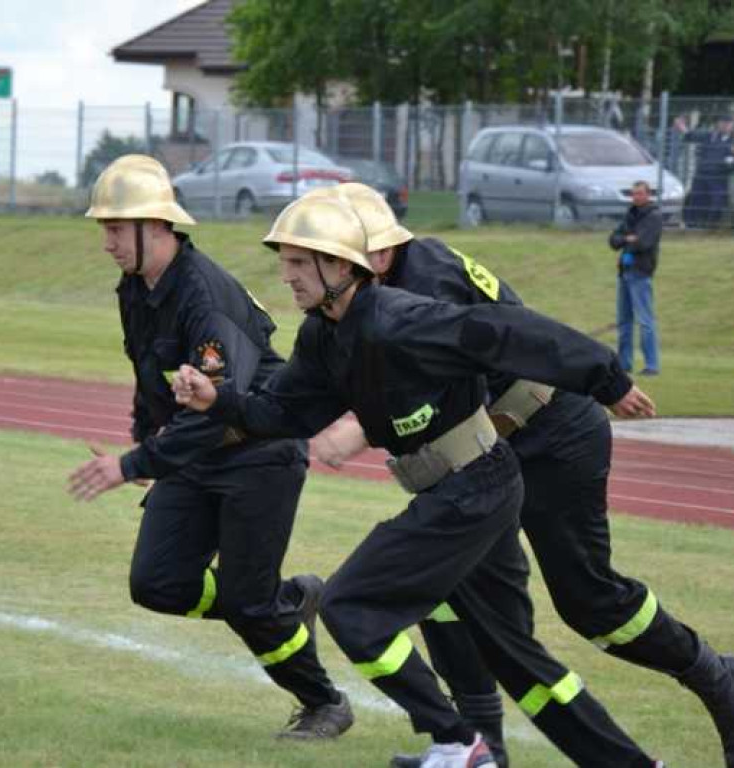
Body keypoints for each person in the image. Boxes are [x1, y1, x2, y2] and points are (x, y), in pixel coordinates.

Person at [173, 192, 668, 768]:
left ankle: (459, 743)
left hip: (476, 488)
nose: (285, 276)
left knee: (351, 606)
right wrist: (219, 400)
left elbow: (512, 333)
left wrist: (606, 379)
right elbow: (284, 414)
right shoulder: (322, 336)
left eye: (299, 263)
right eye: (284, 262)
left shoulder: (399, 318)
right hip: (458, 492)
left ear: (340, 266)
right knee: (516, 659)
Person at [314, 183, 734, 768]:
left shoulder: (421, 285)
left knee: (591, 603)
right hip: (482, 455)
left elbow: (467, 360)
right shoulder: (385, 290)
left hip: (548, 435)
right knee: (452, 591)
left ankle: (718, 680)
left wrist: (360, 429)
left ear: (378, 255)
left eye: (337, 258)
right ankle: (480, 749)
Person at [66, 155, 353, 740]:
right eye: (104, 230)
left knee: (250, 604)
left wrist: (133, 465)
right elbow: (149, 370)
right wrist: (145, 438)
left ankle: (324, 703)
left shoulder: (206, 297)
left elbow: (213, 406)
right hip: (197, 455)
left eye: (116, 229)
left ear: (157, 227)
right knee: (158, 583)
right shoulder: (136, 288)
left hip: (259, 455)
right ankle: (288, 600)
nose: (107, 244)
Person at [609, 180, 663, 376]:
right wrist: (627, 238)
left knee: (645, 321)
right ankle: (625, 364)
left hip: (640, 272)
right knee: (624, 321)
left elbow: (643, 243)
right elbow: (613, 240)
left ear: (648, 195)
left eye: (640, 193)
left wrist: (628, 239)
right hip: (624, 271)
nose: (636, 197)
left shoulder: (654, 216)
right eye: (634, 194)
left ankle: (652, 365)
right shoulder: (630, 214)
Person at [674, 113, 734, 228]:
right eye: (722, 122)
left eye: (728, 123)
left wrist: (730, 160)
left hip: (719, 177)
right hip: (702, 174)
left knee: (718, 202)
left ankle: (711, 226)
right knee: (696, 201)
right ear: (718, 124)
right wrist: (682, 128)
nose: (725, 125)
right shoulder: (710, 136)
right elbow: (691, 136)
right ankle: (692, 227)